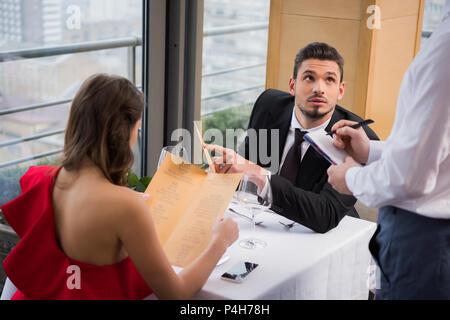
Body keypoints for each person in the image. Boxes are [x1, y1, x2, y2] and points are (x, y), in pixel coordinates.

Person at [1, 74, 238, 300]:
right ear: (124, 134)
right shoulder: (126, 207)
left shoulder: (45, 178)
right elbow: (174, 293)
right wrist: (220, 241)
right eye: (137, 128)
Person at [326, 1, 450, 299]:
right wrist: (371, 152)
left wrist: (352, 178)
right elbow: (436, 152)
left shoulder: (444, 53)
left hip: (421, 244)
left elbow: (410, 177)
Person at [206, 42, 378, 233]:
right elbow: (245, 166)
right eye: (309, 77)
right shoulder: (269, 105)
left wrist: (257, 173)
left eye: (329, 80)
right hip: (262, 224)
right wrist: (226, 171)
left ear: (340, 90)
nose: (319, 88)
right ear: (292, 85)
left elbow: (324, 215)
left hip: (325, 239)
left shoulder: (357, 138)